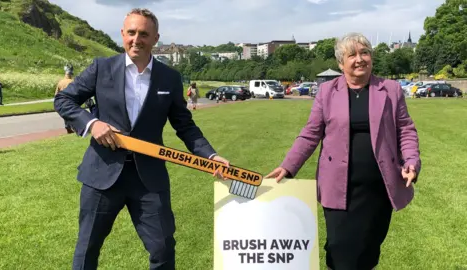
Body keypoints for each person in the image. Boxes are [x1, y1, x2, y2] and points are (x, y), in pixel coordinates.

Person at [54, 8, 230, 270]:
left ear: (155, 38)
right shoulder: (101, 68)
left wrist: (211, 155)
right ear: (123, 34)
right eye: (132, 33)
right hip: (101, 175)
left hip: (149, 178)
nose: (137, 39)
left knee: (162, 248)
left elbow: (185, 126)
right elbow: (64, 99)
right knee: (87, 248)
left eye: (144, 34)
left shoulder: (169, 78)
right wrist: (93, 123)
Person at [266, 32, 421, 270]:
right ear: (341, 63)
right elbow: (310, 134)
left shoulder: (390, 90)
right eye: (352, 55)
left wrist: (411, 160)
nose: (360, 59)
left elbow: (406, 129)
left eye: (365, 53)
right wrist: (288, 166)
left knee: (368, 250)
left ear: (372, 57)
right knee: (339, 250)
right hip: (338, 187)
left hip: (378, 188)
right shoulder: (327, 92)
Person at [55, 65, 76, 134]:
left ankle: (68, 127)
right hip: (71, 101)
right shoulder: (73, 82)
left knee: (66, 115)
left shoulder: (60, 82)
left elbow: (56, 94)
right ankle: (71, 127)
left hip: (63, 101)